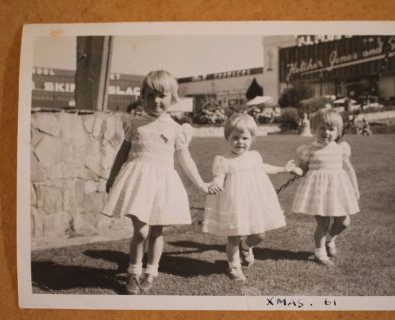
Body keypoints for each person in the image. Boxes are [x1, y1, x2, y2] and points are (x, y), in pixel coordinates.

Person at [102, 70, 211, 294]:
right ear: (142, 96)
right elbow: (122, 154)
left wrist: (201, 184)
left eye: (162, 96)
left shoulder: (175, 129)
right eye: (150, 96)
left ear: (172, 98)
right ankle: (133, 272)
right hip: (138, 182)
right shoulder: (134, 124)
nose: (156, 101)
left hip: (162, 184)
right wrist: (112, 176)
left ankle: (151, 272)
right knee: (140, 231)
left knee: (156, 232)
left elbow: (185, 159)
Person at [203, 113, 302, 281]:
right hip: (234, 203)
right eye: (235, 138)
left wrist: (284, 169)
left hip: (254, 201)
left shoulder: (254, 156)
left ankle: (247, 246)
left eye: (244, 138)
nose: (240, 142)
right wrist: (215, 185)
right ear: (227, 138)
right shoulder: (223, 160)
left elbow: (264, 167)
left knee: (259, 234)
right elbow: (218, 178)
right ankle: (234, 266)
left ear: (251, 139)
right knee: (233, 235)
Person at [292, 109, 360, 266]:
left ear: (338, 132)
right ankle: (320, 253)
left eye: (331, 129)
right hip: (318, 193)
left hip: (338, 191)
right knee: (323, 224)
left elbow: (349, 169)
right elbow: (302, 169)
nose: (326, 132)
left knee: (344, 222)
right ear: (313, 129)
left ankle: (330, 239)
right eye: (322, 128)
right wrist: (295, 170)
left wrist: (355, 189)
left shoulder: (340, 149)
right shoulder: (309, 150)